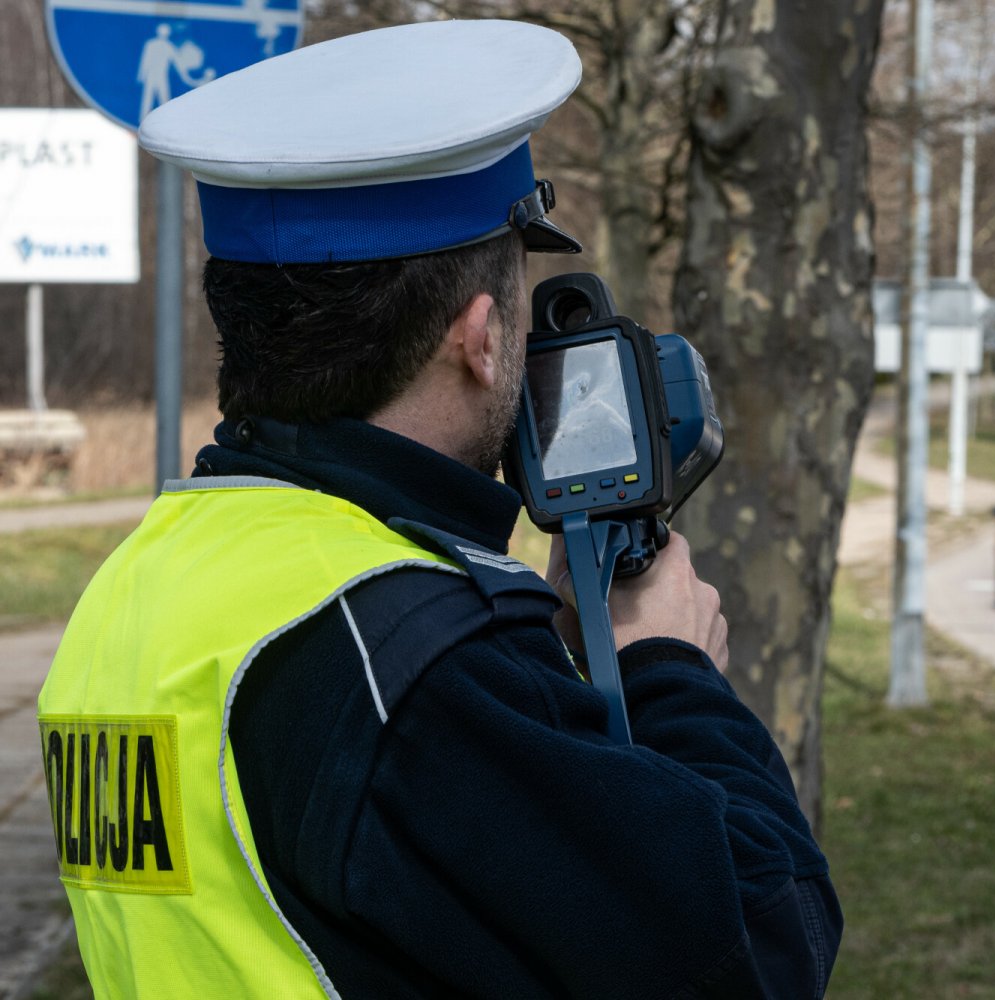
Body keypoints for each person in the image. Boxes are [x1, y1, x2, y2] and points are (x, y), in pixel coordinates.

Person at [38, 19, 840, 999]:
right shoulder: (412, 663)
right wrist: (667, 671)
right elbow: (764, 949)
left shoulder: (131, 592)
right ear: (481, 336)